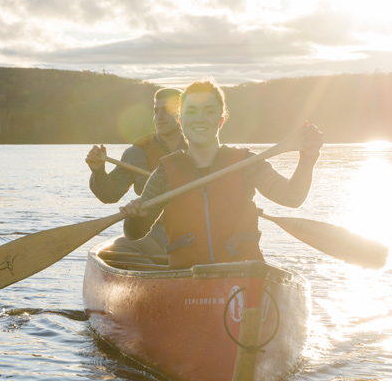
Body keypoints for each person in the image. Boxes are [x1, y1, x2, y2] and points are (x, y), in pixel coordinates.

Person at [119, 78, 323, 268]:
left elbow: (291, 197)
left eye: (209, 111)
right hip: (187, 281)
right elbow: (134, 233)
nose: (199, 119)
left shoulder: (247, 163)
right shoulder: (166, 172)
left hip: (242, 278)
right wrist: (136, 215)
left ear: (221, 120)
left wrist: (307, 161)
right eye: (191, 112)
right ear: (181, 121)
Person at [85, 87, 188, 260]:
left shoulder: (198, 147)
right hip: (156, 236)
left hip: (197, 231)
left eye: (167, 110)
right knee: (116, 251)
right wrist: (98, 170)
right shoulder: (137, 152)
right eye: (156, 111)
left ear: (182, 114)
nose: (159, 116)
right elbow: (109, 194)